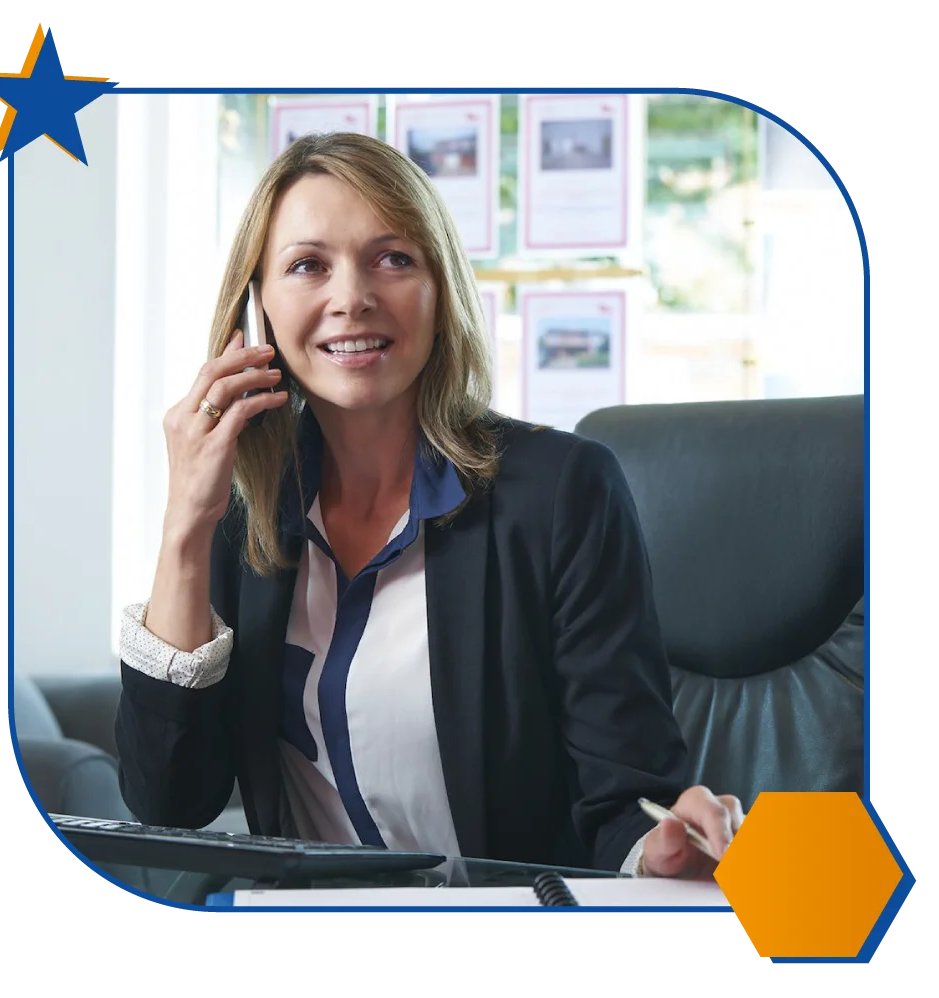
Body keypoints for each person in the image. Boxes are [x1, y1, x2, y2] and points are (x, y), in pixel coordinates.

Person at [114, 131, 744, 879]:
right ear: (257, 311)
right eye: (307, 266)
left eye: (393, 259)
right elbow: (169, 799)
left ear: (439, 289)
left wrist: (663, 848)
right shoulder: (246, 510)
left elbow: (625, 800)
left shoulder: (564, 493)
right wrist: (185, 524)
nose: (352, 298)